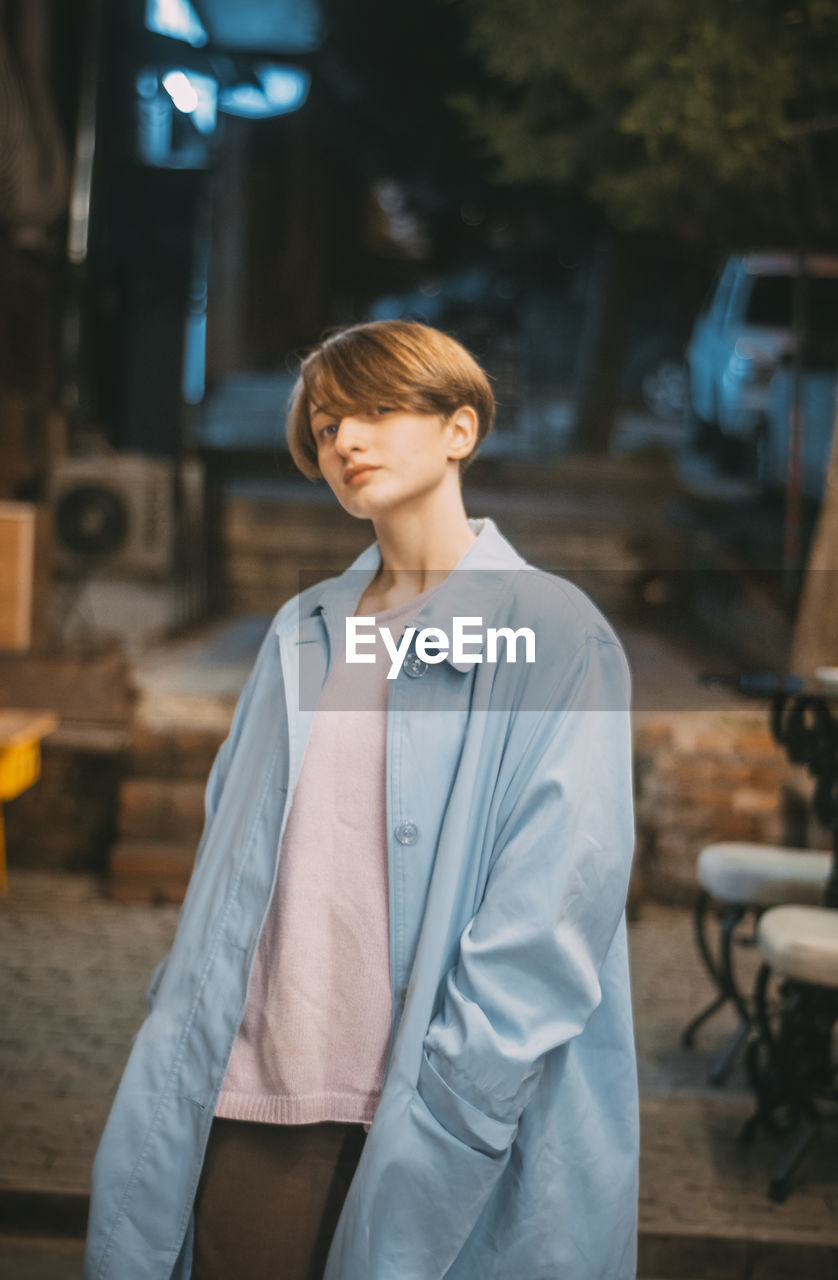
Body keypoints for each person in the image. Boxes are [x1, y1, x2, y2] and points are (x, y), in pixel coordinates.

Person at [83, 320, 639, 1280]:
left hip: (440, 1122)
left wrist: (460, 1101)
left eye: (378, 410)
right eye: (328, 421)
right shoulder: (302, 631)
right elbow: (232, 856)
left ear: (460, 429)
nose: (345, 439)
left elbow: (551, 910)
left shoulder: (553, 634)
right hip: (259, 1099)